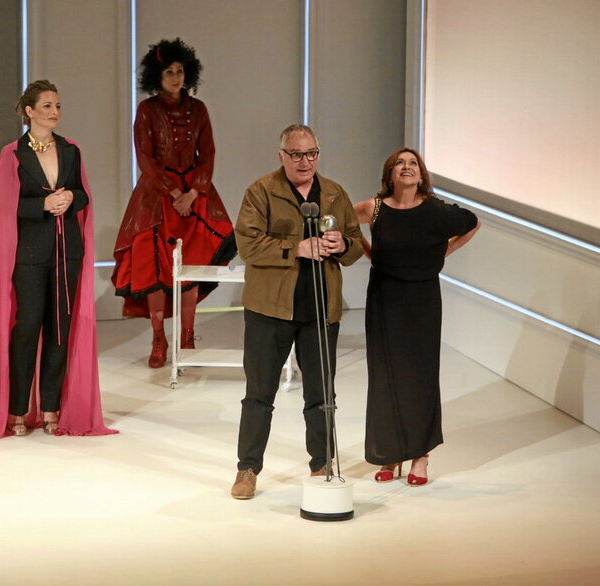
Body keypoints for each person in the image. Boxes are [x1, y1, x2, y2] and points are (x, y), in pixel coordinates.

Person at [0, 80, 116, 438]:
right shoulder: (12, 154)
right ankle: (17, 409)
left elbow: (83, 194)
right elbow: (4, 207)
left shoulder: (71, 149)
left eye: (58, 106)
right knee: (27, 328)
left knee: (60, 331)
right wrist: (43, 205)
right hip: (30, 254)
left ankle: (51, 407)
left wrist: (70, 198)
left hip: (68, 253)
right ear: (29, 112)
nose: (54, 112)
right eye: (47, 106)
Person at [230, 124, 363, 499]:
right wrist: (298, 249)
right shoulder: (260, 191)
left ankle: (322, 464)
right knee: (259, 393)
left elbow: (355, 248)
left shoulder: (335, 193)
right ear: (282, 157)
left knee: (322, 394)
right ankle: (247, 469)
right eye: (296, 155)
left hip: (320, 309)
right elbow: (249, 246)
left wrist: (342, 245)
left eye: (311, 154)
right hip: (269, 310)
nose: (305, 162)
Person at [354, 148, 480, 485]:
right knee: (385, 374)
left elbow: (473, 222)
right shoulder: (375, 208)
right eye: (400, 163)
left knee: (419, 375)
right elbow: (345, 225)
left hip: (421, 299)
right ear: (389, 174)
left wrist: (444, 252)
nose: (406, 167)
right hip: (383, 296)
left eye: (413, 163)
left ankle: (420, 456)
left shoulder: (435, 211)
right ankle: (389, 453)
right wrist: (372, 254)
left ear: (421, 175)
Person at [112, 38, 235, 368]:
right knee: (154, 265)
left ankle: (188, 335)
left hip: (194, 195)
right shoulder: (147, 110)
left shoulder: (199, 109)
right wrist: (173, 193)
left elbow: (207, 154)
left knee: (193, 263)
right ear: (157, 75)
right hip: (157, 197)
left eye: (180, 71)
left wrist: (193, 193)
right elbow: (146, 158)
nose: (176, 77)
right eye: (169, 71)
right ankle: (158, 337)